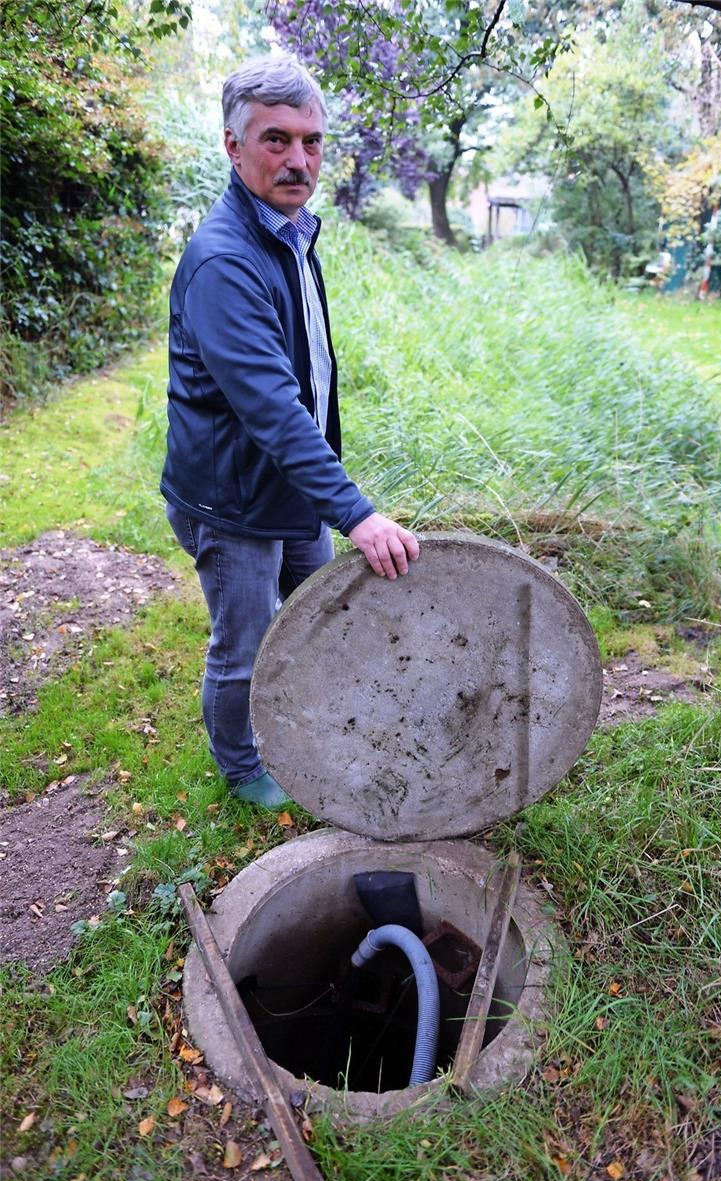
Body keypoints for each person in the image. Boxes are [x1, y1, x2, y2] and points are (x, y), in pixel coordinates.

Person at [161, 55, 419, 809]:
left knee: (323, 616)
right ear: (232, 146)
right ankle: (243, 768)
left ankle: (314, 729)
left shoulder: (291, 231)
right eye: (276, 140)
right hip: (233, 498)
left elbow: (309, 374)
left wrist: (328, 490)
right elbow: (271, 405)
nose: (299, 160)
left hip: (292, 488)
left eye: (311, 142)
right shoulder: (223, 259)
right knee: (245, 647)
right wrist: (358, 511)